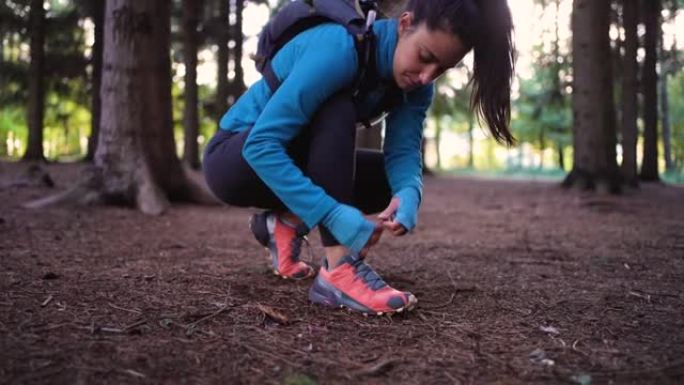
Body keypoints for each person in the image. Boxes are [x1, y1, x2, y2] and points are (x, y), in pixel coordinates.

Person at [203, 0, 515, 316]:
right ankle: (339, 270)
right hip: (233, 161)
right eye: (425, 58)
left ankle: (284, 223)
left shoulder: (417, 86)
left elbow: (404, 151)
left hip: (283, 161)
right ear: (405, 24)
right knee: (338, 107)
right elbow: (261, 146)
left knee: (386, 182)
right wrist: (332, 214)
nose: (426, 76)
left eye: (441, 70)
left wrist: (409, 192)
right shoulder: (337, 49)